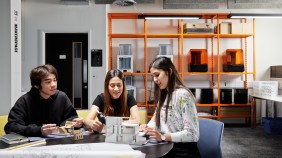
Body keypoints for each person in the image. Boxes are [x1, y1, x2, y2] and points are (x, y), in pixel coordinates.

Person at [141, 56, 201, 158]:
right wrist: (147, 128)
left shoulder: (183, 95)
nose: (155, 80)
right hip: (168, 146)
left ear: (169, 71)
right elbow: (156, 120)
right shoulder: (164, 94)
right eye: (153, 76)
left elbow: (192, 134)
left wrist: (163, 137)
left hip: (183, 151)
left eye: (157, 75)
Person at [4, 64, 83, 137]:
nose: (53, 84)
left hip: (58, 142)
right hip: (32, 146)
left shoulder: (62, 97)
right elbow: (11, 127)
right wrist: (39, 130)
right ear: (36, 85)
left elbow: (72, 117)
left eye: (54, 80)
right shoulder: (25, 101)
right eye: (48, 82)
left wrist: (75, 124)